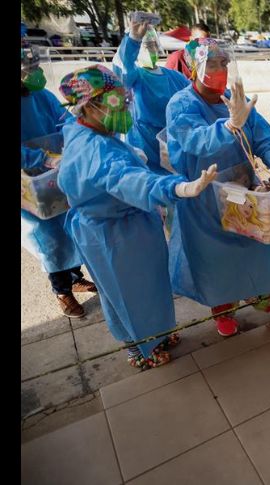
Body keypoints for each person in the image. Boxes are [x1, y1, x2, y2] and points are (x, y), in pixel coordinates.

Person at [57, 65, 217, 369]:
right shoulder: (97, 150)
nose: (126, 105)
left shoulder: (89, 129)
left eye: (124, 97)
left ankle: (155, 334)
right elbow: (129, 179)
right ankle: (139, 349)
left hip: (133, 225)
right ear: (87, 106)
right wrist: (179, 187)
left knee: (151, 286)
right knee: (125, 294)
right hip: (112, 235)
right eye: (116, 100)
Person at [166, 38, 270, 337]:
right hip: (205, 195)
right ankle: (224, 309)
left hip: (246, 192)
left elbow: (264, 140)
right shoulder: (181, 104)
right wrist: (227, 126)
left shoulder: (235, 101)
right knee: (218, 259)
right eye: (211, 64)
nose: (219, 70)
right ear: (194, 68)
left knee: (266, 248)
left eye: (223, 63)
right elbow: (195, 141)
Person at [21, 44, 97, 318]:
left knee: (70, 225)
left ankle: (75, 277)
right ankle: (61, 290)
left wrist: (74, 138)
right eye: (28, 68)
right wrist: (39, 158)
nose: (34, 71)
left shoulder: (40, 95)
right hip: (28, 183)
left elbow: (62, 119)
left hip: (55, 172)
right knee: (49, 237)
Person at [112, 19, 189, 173]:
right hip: (142, 140)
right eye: (145, 45)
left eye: (153, 44)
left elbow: (194, 96)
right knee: (148, 179)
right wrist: (133, 40)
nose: (150, 49)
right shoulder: (134, 77)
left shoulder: (173, 76)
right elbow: (121, 70)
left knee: (174, 180)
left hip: (171, 140)